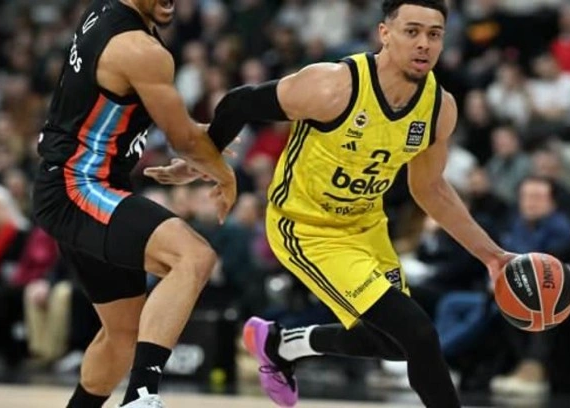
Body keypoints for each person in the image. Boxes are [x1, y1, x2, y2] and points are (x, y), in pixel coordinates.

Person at [146, 1, 514, 407]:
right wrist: (206, 159)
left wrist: (492, 256)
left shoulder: (438, 109)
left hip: (366, 225)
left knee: (393, 343)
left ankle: (282, 345)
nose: (424, 43)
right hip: (306, 228)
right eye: (412, 31)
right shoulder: (333, 86)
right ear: (384, 33)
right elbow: (239, 102)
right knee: (419, 334)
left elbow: (430, 189)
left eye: (435, 34)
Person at [32, 0, 236, 407]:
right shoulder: (139, 48)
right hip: (79, 186)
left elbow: (175, 128)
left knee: (122, 336)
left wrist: (199, 148)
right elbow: (183, 139)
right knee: (193, 256)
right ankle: (141, 397)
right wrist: (223, 174)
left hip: (80, 184)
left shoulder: (107, 14)